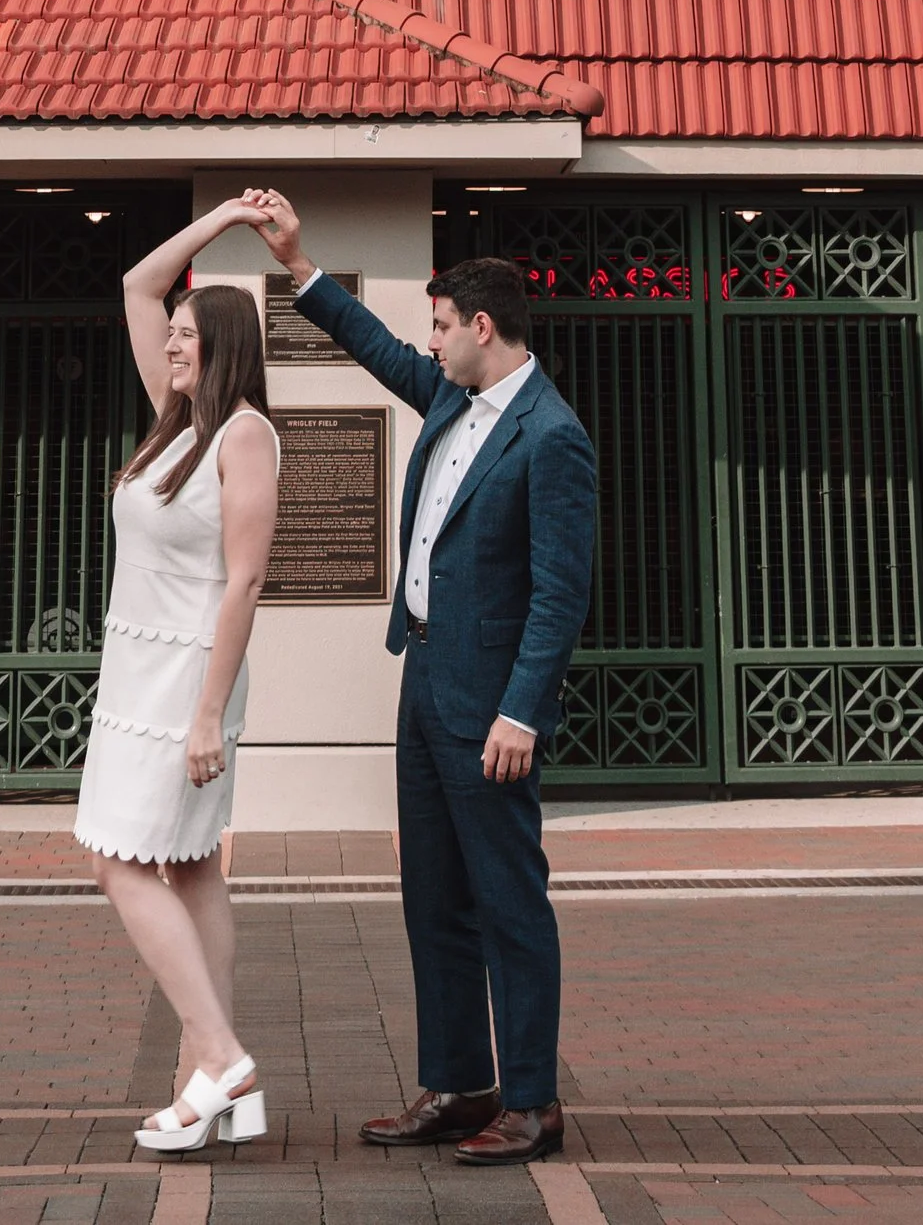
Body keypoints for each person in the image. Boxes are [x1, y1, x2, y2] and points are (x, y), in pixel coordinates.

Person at [241, 190, 595, 1165]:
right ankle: (457, 1083)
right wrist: (299, 263)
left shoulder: (551, 438)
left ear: (483, 326)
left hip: (491, 706)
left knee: (508, 900)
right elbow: (377, 350)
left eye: (440, 325)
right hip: (425, 678)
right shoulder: (451, 396)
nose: (427, 342)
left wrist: (523, 709)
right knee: (432, 897)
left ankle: (530, 1101)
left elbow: (560, 595)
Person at [74, 202, 283, 1158]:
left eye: (191, 339)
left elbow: (244, 579)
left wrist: (209, 716)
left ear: (228, 347)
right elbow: (137, 285)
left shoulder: (243, 436)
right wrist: (227, 217)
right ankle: (215, 1080)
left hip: (185, 688)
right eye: (174, 339)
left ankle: (221, 1055)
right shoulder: (173, 421)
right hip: (136, 671)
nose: (173, 348)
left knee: (122, 862)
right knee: (192, 864)